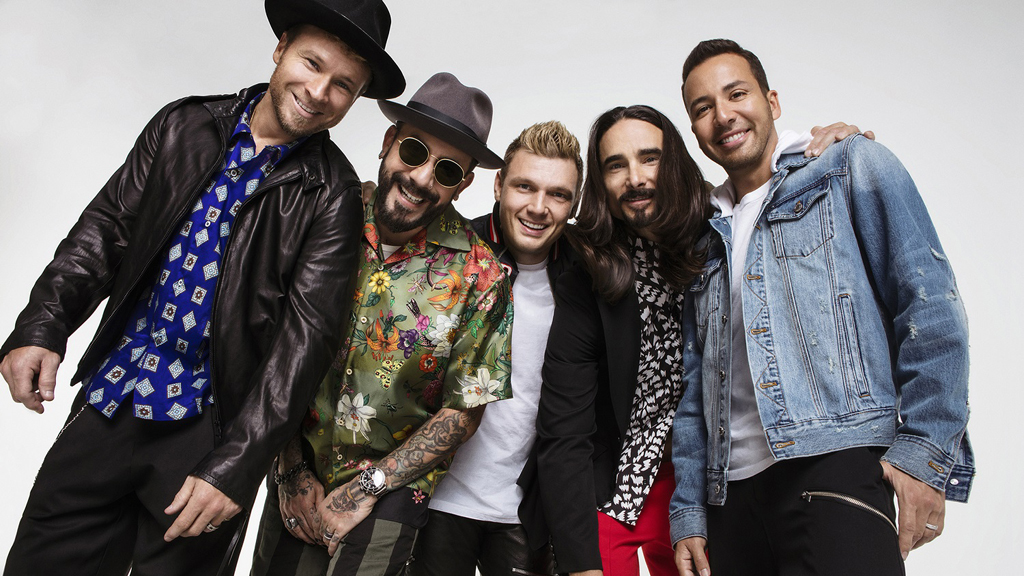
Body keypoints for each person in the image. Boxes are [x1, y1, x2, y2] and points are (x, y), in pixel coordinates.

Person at [0, 1, 406, 574]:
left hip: (207, 437)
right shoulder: (183, 125)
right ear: (281, 47)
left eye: (343, 85)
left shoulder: (331, 194)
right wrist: (42, 325)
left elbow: (304, 343)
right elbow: (107, 230)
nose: (319, 92)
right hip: (113, 396)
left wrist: (235, 468)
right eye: (312, 64)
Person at [670, 39, 973, 576]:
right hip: (731, 501)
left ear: (772, 101)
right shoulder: (704, 234)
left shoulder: (848, 166)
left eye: (736, 94)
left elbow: (928, 305)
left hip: (834, 465)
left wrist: (925, 453)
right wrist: (690, 509)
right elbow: (695, 387)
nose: (723, 115)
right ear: (694, 129)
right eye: (703, 107)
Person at [251, 72, 514, 576]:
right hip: (298, 470)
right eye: (414, 151)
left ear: (463, 184)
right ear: (389, 141)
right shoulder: (328, 217)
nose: (422, 178)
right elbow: (275, 344)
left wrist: (369, 487)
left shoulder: (481, 275)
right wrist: (289, 469)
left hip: (391, 491)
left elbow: (463, 412)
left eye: (447, 171)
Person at [409, 121, 583, 576]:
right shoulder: (448, 253)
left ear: (575, 203)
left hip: (525, 513)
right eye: (525, 186)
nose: (538, 207)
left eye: (558, 194)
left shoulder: (584, 278)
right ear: (498, 184)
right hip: (434, 497)